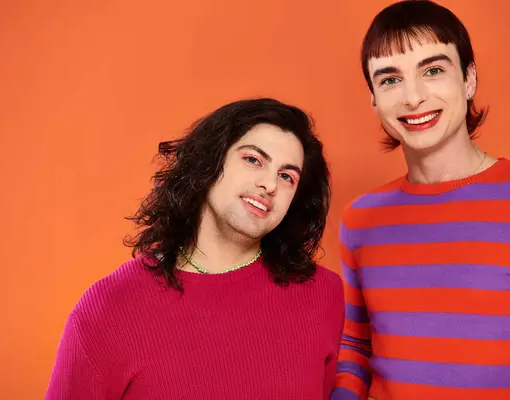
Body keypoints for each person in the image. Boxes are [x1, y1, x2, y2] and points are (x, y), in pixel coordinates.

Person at [330, 1, 510, 399]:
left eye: (433, 70)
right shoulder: (361, 220)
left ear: (469, 79)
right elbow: (356, 347)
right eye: (390, 80)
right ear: (373, 100)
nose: (413, 97)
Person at [45, 98, 345, 399]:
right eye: (253, 160)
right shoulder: (109, 309)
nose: (270, 184)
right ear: (209, 162)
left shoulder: (323, 294)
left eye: (286, 176)